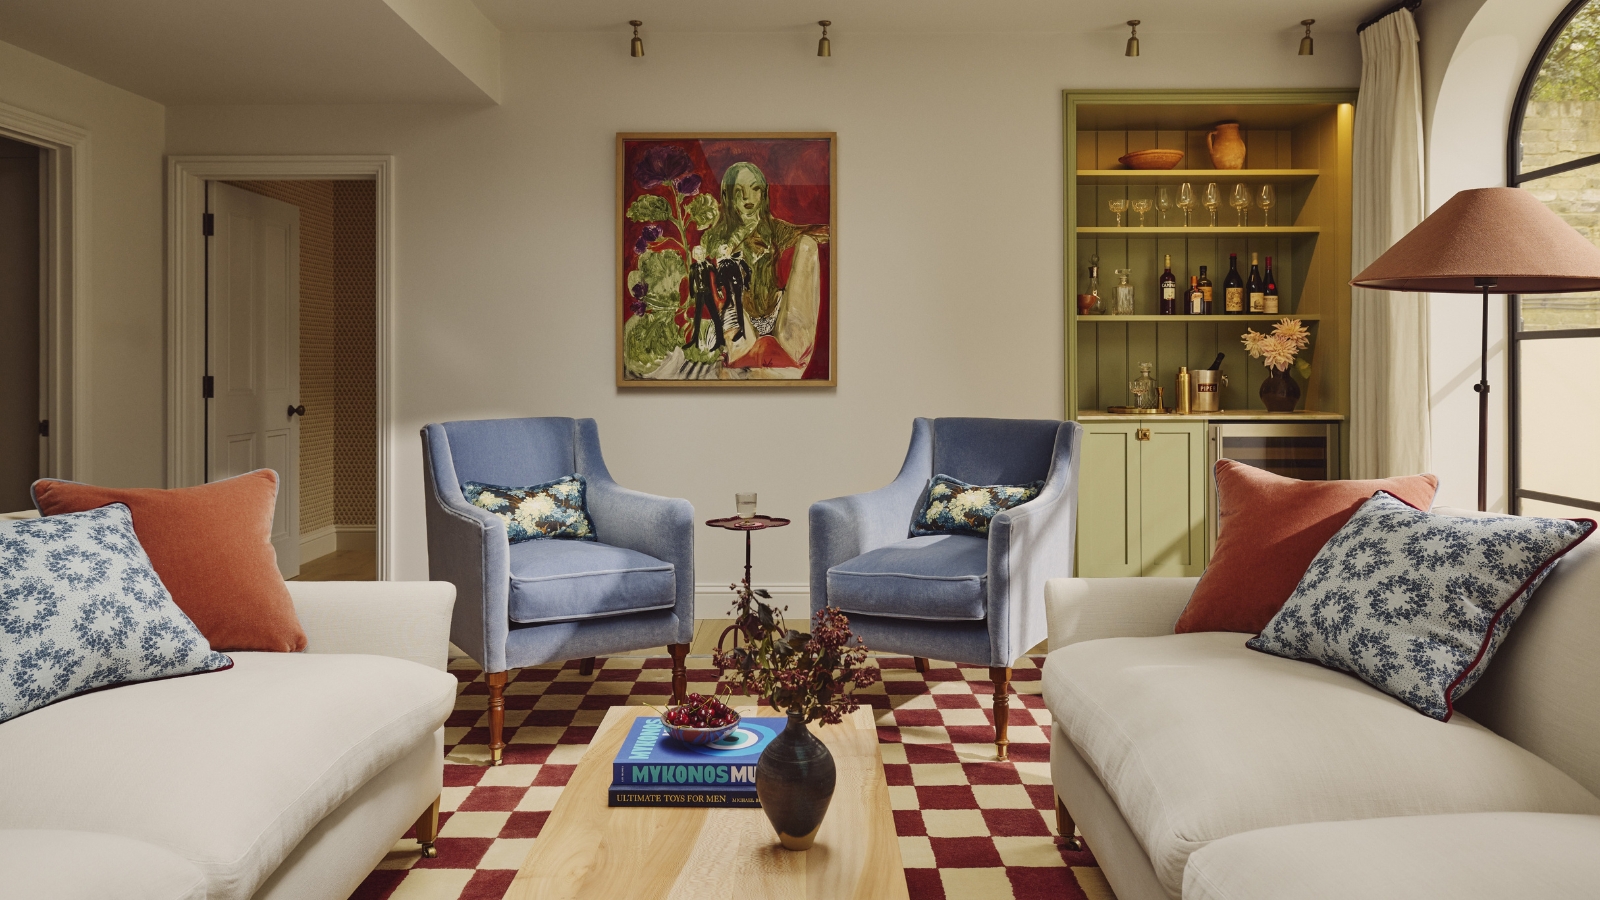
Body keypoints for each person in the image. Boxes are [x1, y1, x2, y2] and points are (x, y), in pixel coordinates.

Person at [699, 162, 827, 372]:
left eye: (755, 189)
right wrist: (738, 240)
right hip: (742, 320)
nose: (748, 198)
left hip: (780, 317)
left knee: (807, 244)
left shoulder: (773, 228)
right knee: (726, 264)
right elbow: (709, 256)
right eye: (739, 192)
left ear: (764, 193)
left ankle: (792, 346)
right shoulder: (717, 235)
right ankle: (742, 349)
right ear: (728, 197)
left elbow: (812, 232)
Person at [685, 244, 722, 351]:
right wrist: (692, 295)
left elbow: (717, 275)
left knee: (715, 315)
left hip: (708, 293)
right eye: (697, 254)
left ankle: (720, 339)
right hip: (699, 294)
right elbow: (691, 282)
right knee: (697, 317)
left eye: (701, 253)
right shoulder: (693, 267)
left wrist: (719, 289)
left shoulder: (709, 264)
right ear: (694, 256)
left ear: (704, 254)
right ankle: (694, 340)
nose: (699, 255)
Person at [714, 244, 749, 343]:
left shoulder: (737, 260)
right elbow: (718, 278)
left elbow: (747, 270)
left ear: (730, 249)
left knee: (739, 306)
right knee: (725, 307)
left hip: (737, 287)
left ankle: (741, 329)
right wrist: (719, 288)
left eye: (726, 248)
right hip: (727, 290)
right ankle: (722, 329)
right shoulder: (720, 264)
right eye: (723, 249)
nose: (725, 251)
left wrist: (746, 282)